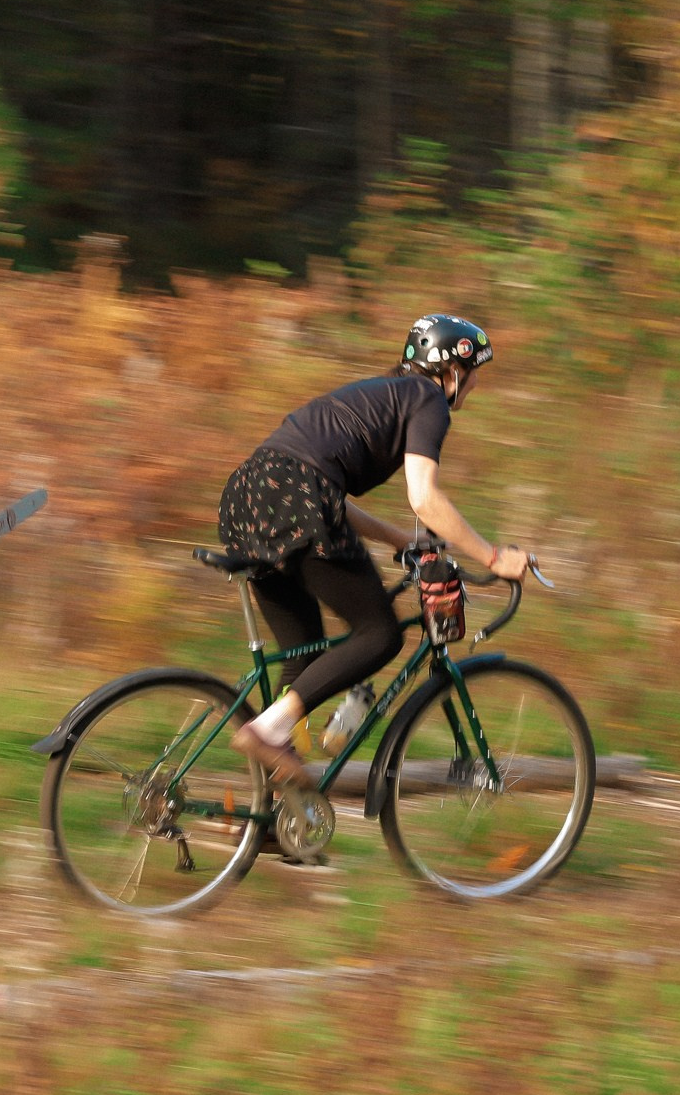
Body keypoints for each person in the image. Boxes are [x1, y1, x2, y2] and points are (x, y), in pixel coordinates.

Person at [219, 313, 530, 784]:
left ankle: (271, 809)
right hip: (297, 499)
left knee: (304, 657)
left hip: (247, 496)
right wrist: (493, 556)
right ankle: (267, 731)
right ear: (451, 372)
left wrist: (399, 538)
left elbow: (322, 494)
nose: (475, 385)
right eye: (473, 373)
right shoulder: (427, 399)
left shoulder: (378, 394)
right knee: (379, 635)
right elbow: (423, 497)